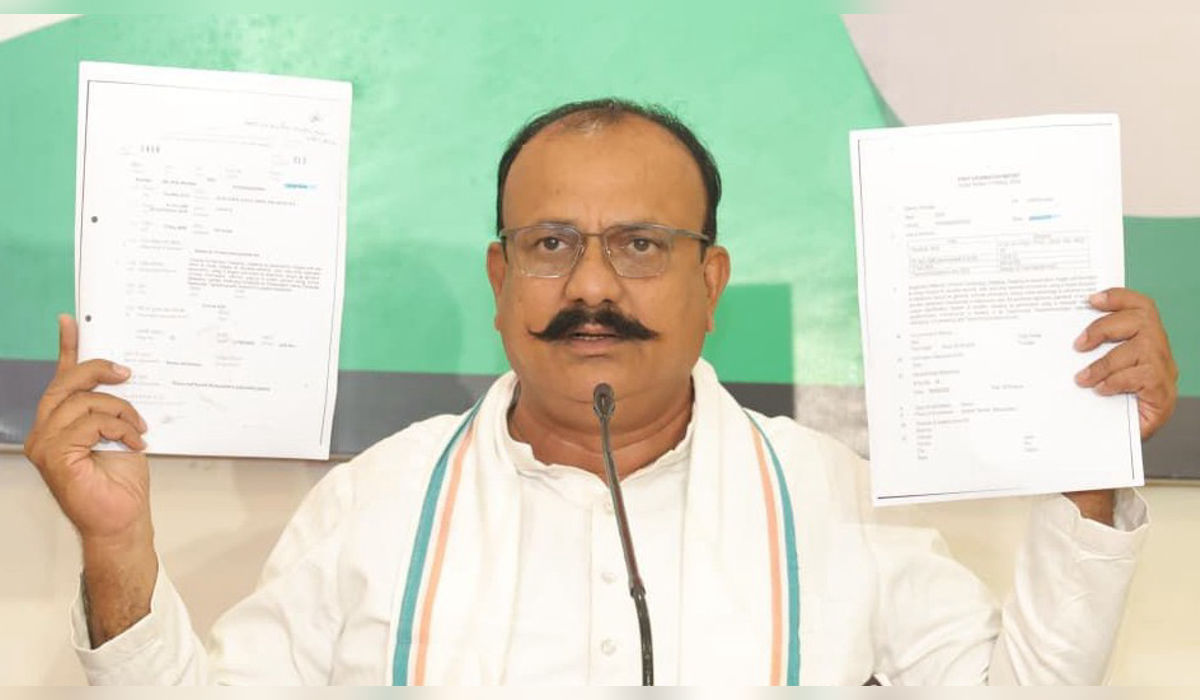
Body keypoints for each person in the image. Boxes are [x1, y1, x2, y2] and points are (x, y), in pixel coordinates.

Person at [23, 99, 1178, 685]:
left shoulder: (837, 497)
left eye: (638, 245)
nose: (589, 289)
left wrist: (1085, 482)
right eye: (549, 243)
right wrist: (117, 548)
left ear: (709, 279)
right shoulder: (377, 499)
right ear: (499, 275)